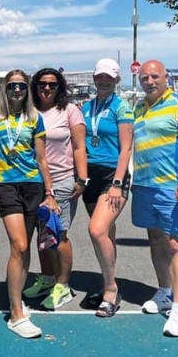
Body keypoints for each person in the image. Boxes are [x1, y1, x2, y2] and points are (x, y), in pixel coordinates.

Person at [132, 60, 178, 337]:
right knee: (155, 239)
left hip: (172, 187)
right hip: (144, 186)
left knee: (175, 245)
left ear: (166, 78)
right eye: (144, 77)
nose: (150, 81)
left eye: (155, 76)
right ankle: (164, 291)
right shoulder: (139, 107)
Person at [0, 70, 59, 338]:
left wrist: (49, 192)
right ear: (4, 89)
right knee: (19, 245)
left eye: (21, 86)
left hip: (33, 185)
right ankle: (15, 314)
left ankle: (17, 300)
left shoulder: (35, 118)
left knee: (25, 247)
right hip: (6, 185)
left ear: (27, 89)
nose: (16, 90)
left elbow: (41, 158)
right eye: (11, 86)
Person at [22, 68, 87, 310]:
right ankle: (47, 279)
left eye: (52, 84)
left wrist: (82, 179)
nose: (47, 88)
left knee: (58, 234)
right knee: (42, 235)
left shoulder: (69, 111)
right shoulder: (28, 111)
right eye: (42, 84)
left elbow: (79, 147)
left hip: (61, 181)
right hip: (32, 182)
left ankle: (63, 285)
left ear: (60, 87)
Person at [79, 59, 134, 318]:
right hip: (90, 175)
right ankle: (105, 285)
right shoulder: (86, 107)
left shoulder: (121, 108)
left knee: (97, 230)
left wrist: (117, 183)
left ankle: (111, 289)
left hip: (113, 175)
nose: (103, 81)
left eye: (108, 78)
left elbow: (126, 148)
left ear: (117, 81)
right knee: (107, 235)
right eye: (99, 77)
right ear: (94, 78)